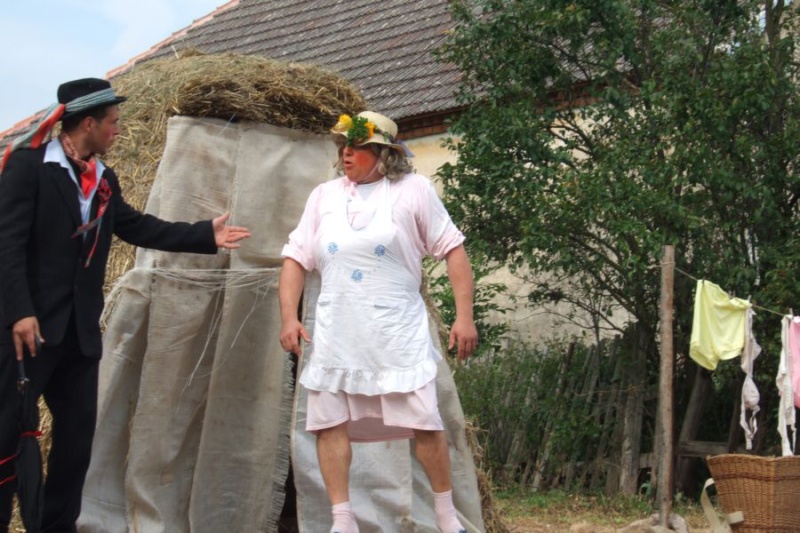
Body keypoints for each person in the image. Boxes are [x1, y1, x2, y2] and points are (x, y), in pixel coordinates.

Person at [0, 77, 251, 533]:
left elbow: (136, 227)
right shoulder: (29, 167)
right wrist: (19, 310)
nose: (118, 130)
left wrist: (204, 234)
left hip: (78, 335)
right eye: (113, 122)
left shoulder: (102, 179)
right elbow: (7, 244)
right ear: (88, 123)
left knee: (76, 443)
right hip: (29, 330)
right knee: (6, 435)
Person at [279, 111, 478, 533]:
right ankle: (342, 520)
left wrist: (465, 318)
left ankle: (446, 516)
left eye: (356, 147)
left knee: (425, 422)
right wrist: (288, 318)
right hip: (338, 333)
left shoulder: (414, 191)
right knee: (329, 424)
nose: (346, 154)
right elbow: (295, 257)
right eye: (343, 147)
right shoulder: (324, 196)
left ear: (384, 154)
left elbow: (454, 250)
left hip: (395, 333)